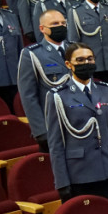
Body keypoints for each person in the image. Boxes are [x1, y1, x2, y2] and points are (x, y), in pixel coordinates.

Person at [45, 43, 108, 202]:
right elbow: (56, 143)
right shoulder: (58, 96)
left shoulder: (105, 90)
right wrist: (62, 182)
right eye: (80, 60)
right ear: (68, 64)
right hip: (79, 172)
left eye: (90, 59)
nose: (86, 63)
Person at [17, 9, 70, 151]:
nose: (60, 26)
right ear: (42, 29)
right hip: (53, 124)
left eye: (63, 23)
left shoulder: (76, 49)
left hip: (80, 122)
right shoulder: (32, 54)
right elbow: (28, 96)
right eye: (54, 23)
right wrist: (40, 131)